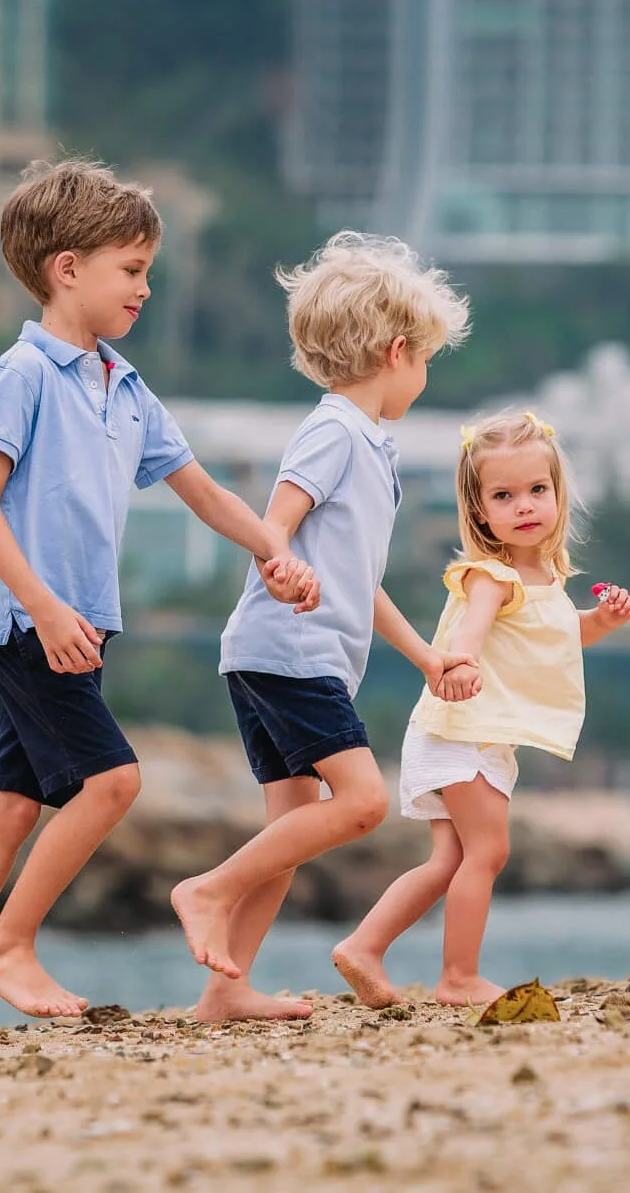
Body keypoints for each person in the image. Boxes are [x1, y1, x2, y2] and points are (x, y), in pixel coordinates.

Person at [0, 160, 319, 1042]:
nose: (146, 288)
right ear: (66, 268)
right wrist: (42, 608)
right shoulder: (23, 373)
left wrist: (273, 547)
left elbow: (202, 491)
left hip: (80, 623)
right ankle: (7, 947)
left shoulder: (124, 383)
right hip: (30, 620)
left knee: (8, 811)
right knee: (112, 779)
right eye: (132, 270)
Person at [169, 232, 475, 1023]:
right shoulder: (335, 428)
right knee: (363, 801)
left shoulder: (373, 444)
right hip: (290, 650)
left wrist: (424, 656)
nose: (426, 375)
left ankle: (224, 991)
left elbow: (359, 580)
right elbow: (279, 517)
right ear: (398, 351)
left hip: (284, 655)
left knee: (293, 826)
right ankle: (208, 888)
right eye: (427, 358)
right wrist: (278, 562)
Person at [331, 410, 630, 1007]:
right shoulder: (490, 576)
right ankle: (459, 977)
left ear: (558, 495)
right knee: (489, 851)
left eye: (537, 490)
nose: (524, 505)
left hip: (470, 732)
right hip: (460, 726)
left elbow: (558, 638)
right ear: (479, 512)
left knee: (451, 858)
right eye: (504, 495)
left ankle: (365, 946)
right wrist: (462, 663)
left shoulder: (547, 575)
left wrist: (602, 621)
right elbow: (469, 633)